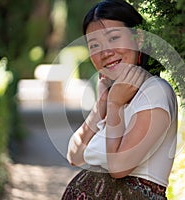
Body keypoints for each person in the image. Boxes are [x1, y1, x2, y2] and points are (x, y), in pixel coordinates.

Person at [62, 0, 178, 199]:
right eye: (95, 45)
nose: (105, 53)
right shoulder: (117, 94)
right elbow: (75, 155)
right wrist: (102, 104)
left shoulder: (155, 92)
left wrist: (114, 105)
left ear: (138, 38)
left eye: (114, 38)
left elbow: (119, 167)